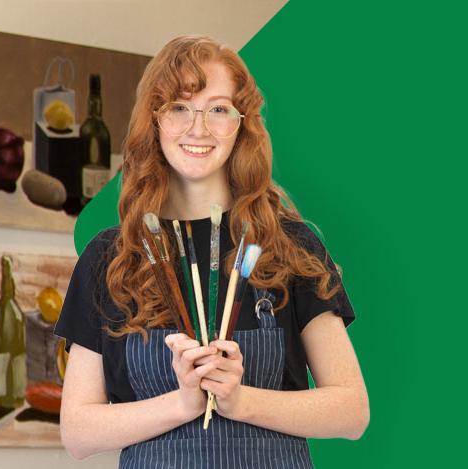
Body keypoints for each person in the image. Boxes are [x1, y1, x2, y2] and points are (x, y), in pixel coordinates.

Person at [55, 36, 369, 467]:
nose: (198, 128)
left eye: (219, 109)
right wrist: (182, 404)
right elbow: (77, 432)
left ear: (242, 123)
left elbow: (351, 412)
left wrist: (240, 400)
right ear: (155, 120)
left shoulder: (286, 244)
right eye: (180, 107)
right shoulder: (112, 257)